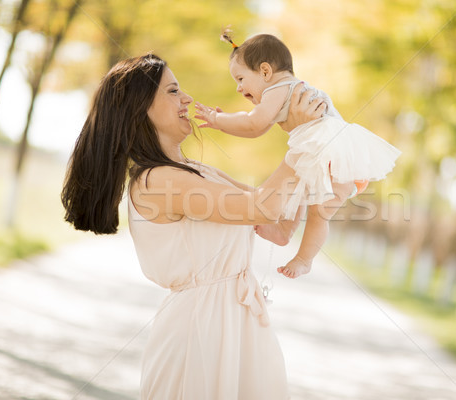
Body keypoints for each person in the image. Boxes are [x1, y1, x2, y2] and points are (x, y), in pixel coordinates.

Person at [60, 53, 325, 399]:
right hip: (201, 333)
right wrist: (301, 141)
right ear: (140, 109)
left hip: (241, 326)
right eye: (172, 92)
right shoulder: (156, 181)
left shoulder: (199, 172)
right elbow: (262, 207)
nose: (186, 98)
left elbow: (278, 225)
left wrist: (319, 167)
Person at [195, 32, 401, 279]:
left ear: (265, 71)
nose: (239, 88)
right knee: (306, 198)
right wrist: (227, 122)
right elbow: (255, 126)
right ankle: (285, 230)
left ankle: (304, 258)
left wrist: (219, 120)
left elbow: (253, 124)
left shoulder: (279, 89)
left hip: (332, 158)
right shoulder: (289, 90)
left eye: (240, 79)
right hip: (334, 158)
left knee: (317, 212)